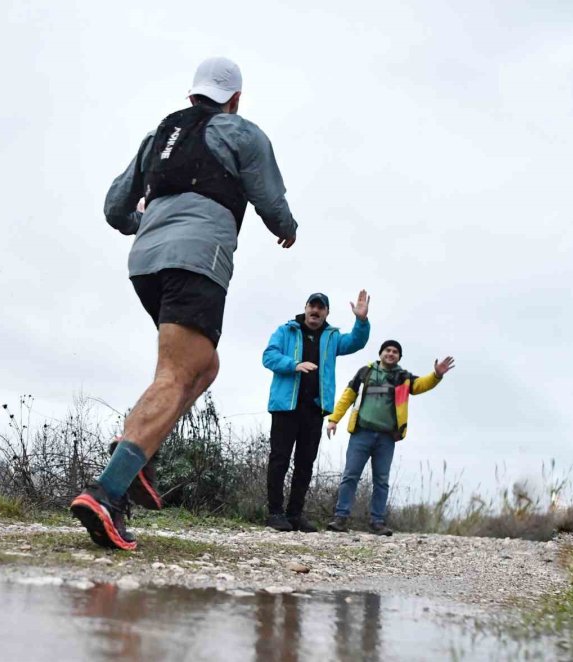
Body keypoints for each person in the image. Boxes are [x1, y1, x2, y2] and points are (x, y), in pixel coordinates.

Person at [70, 57, 299, 550]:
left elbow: (115, 208)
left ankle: (137, 457)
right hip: (198, 261)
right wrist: (287, 229)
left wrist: (144, 226)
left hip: (146, 264)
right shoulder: (241, 133)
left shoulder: (160, 136)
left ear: (192, 93)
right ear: (234, 99)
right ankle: (108, 492)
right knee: (175, 374)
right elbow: (269, 198)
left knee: (203, 366)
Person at [262, 291, 370, 532]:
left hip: (314, 409)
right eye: (313, 305)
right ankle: (275, 513)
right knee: (279, 459)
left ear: (326, 313)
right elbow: (268, 356)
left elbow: (355, 341)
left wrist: (361, 321)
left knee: (305, 463)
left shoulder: (332, 338)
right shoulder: (286, 331)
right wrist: (294, 365)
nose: (316, 310)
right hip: (285, 406)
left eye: (321, 307)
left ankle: (294, 515)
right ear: (306, 307)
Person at [325, 341, 455, 536]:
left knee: (382, 480)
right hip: (361, 433)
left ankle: (377, 522)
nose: (391, 354)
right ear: (381, 353)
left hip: (387, 438)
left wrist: (436, 375)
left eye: (395, 352)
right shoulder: (365, 373)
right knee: (350, 476)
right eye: (388, 350)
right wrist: (334, 419)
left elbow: (420, 385)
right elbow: (348, 396)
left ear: (399, 357)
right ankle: (340, 518)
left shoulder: (403, 378)